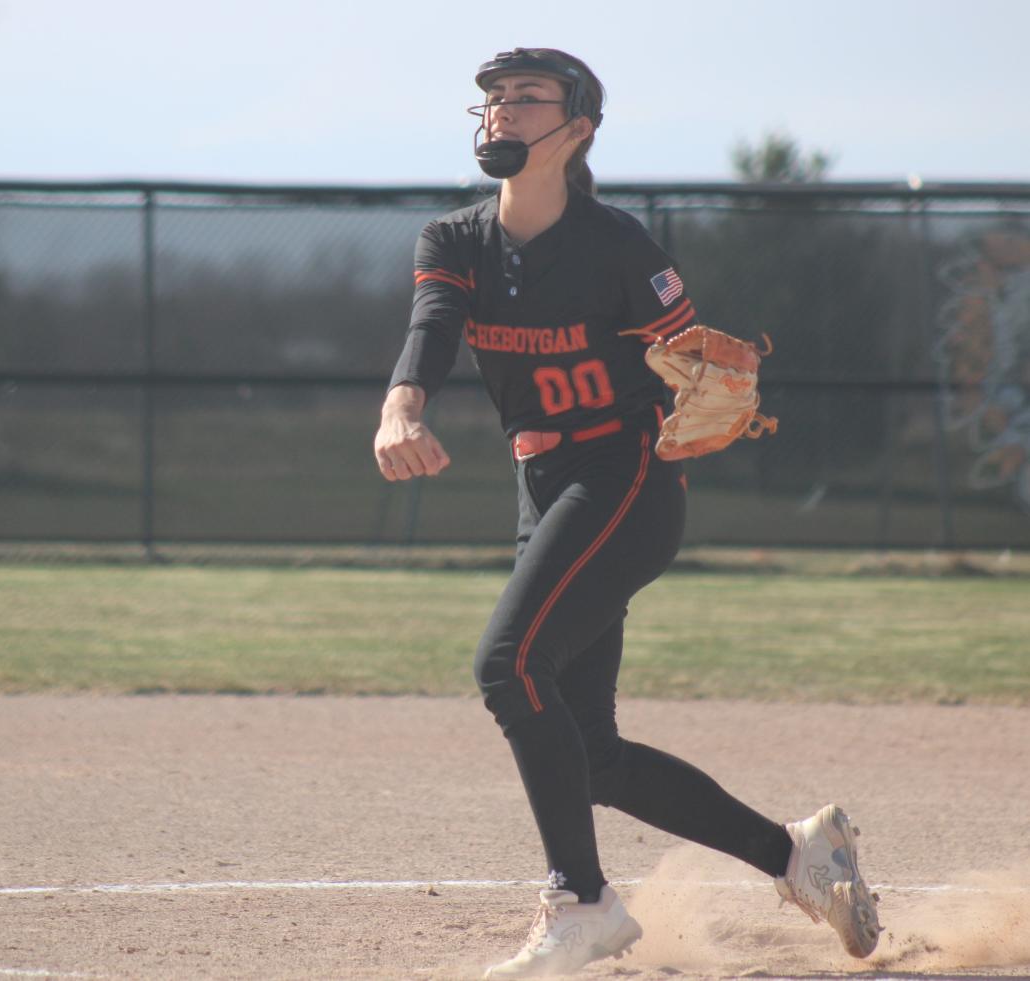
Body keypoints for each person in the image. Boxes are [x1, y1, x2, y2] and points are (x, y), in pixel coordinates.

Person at [372, 47, 882, 979]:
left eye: (529, 99)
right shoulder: (453, 241)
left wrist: (711, 387)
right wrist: (403, 402)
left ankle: (581, 900)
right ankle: (798, 856)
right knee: (590, 755)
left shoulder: (618, 247)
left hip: (625, 478)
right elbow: (431, 333)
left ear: (578, 130)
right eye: (492, 100)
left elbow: (697, 359)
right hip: (541, 486)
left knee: (507, 663)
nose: (503, 112)